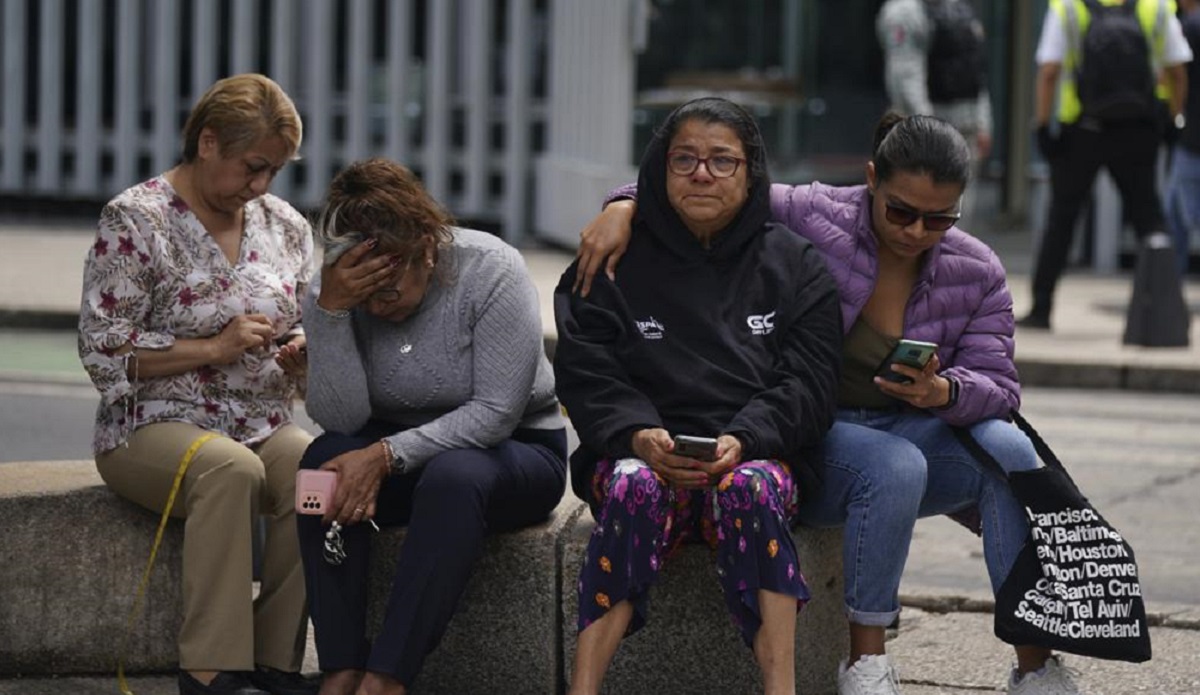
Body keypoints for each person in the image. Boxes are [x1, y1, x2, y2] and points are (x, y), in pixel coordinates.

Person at [575, 114, 1086, 694]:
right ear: (871, 179)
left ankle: (1034, 665)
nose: (917, 230)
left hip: (911, 423)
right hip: (821, 431)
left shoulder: (976, 268)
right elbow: (716, 183)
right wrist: (621, 205)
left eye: (939, 218)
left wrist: (945, 391)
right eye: (901, 211)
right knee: (895, 465)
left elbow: (999, 385)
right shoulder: (815, 212)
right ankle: (866, 664)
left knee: (1009, 449)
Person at [555, 97, 844, 695]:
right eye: (684, 159)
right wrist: (639, 433)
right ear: (659, 170)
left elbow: (810, 385)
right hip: (642, 455)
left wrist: (744, 439)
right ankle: (582, 688)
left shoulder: (795, 265)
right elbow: (587, 369)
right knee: (633, 484)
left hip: (753, 456)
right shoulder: (611, 260)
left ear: (751, 171)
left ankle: (780, 687)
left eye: (721, 161)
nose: (702, 174)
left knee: (752, 488)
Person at [78, 74, 317, 695]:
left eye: (274, 171)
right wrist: (215, 346)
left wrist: (301, 355)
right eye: (253, 167)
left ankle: (277, 662)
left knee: (320, 470)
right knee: (230, 470)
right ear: (208, 142)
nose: (261, 186)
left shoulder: (286, 225)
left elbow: (306, 324)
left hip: (260, 418)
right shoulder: (135, 219)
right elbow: (103, 349)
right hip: (148, 426)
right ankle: (210, 670)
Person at [296, 157, 567, 695]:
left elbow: (495, 412)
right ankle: (341, 667)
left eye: (388, 293)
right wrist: (330, 312)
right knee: (320, 465)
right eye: (364, 299)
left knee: (454, 475)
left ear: (424, 250)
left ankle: (388, 677)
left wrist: (385, 455)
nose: (377, 306)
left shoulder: (491, 268)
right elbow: (343, 419)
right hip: (393, 445)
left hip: (513, 452)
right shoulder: (336, 288)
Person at [1022, 0, 1192, 329]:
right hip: (1138, 129)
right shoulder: (1155, 7)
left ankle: (1042, 309)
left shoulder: (1067, 7)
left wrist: (1042, 125)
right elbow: (1177, 69)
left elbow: (1049, 70)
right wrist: (1174, 117)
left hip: (1082, 129)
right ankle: (1170, 308)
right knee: (1150, 220)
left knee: (1062, 219)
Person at [877, 0, 994, 220]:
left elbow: (976, 72)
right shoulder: (904, 11)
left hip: (964, 126)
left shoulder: (961, 10)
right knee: (913, 213)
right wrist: (928, 128)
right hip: (920, 131)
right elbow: (905, 76)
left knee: (957, 215)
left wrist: (984, 123)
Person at [1165, 0, 1200, 275]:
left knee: (1176, 217)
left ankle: (1170, 290)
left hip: (1192, 141)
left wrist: (1176, 116)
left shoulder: (1188, 27)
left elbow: (1174, 75)